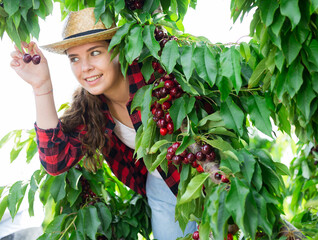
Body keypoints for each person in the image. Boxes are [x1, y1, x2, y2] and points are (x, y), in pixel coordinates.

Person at [9, 7, 196, 240]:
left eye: (95, 53)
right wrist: (42, 87)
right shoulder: (93, 107)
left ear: (119, 49)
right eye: (74, 58)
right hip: (161, 187)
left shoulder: (155, 75)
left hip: (203, 174)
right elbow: (55, 159)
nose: (84, 67)